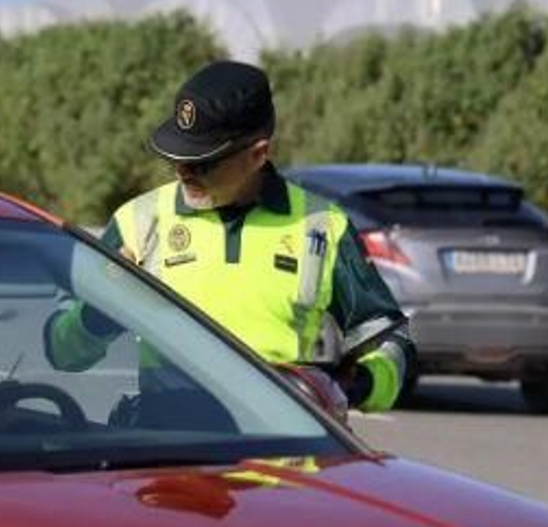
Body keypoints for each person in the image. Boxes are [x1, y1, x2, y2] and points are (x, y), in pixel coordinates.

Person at [45, 60, 412, 413]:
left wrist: (352, 387)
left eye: (201, 161)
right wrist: (101, 313)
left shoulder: (322, 227)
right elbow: (60, 352)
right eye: (176, 156)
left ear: (257, 154)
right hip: (169, 451)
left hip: (283, 456)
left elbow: (392, 345)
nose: (183, 171)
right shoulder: (137, 224)